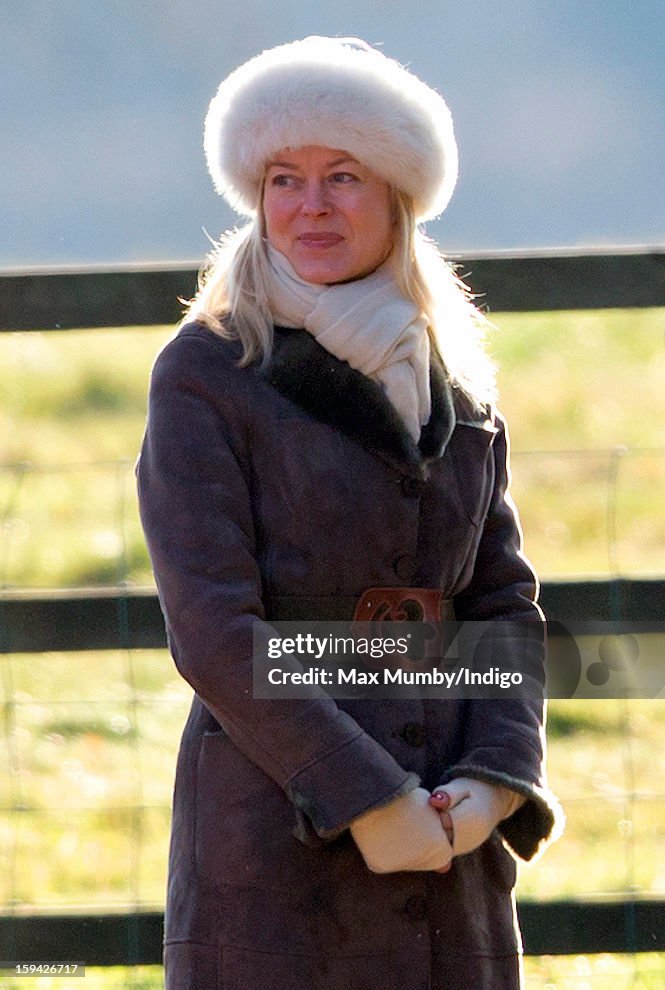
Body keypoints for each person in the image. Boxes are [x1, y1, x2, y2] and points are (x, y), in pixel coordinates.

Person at [137, 36, 562, 990]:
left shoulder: (450, 381)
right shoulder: (207, 373)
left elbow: (503, 607)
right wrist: (367, 801)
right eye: (284, 177)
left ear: (398, 199)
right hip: (278, 833)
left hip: (451, 841)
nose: (310, 205)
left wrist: (495, 782)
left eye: (343, 177)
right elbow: (212, 629)